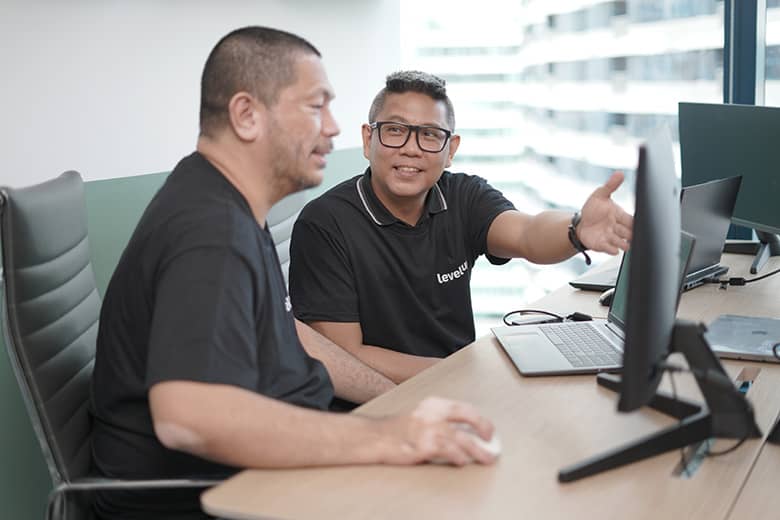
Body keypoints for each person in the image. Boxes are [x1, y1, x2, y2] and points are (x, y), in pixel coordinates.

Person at [90, 28, 497, 520]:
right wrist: (385, 435)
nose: (333, 127)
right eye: (315, 107)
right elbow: (189, 419)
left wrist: (397, 403)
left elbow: (291, 333)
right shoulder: (211, 232)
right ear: (246, 115)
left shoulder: (224, 202)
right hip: (208, 497)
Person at [288, 70, 633, 384]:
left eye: (429, 135)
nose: (410, 148)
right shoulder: (324, 224)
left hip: (458, 388)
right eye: (395, 131)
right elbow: (346, 357)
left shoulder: (464, 195)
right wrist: (468, 373)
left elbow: (527, 235)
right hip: (378, 404)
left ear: (450, 150)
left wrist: (575, 230)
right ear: (369, 140)